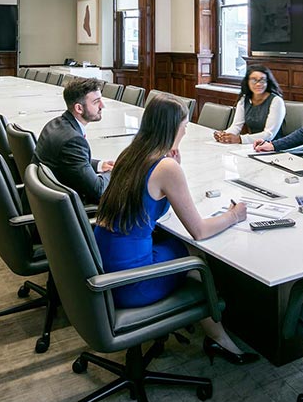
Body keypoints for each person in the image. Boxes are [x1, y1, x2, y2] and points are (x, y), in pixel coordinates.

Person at [94, 94, 258, 365]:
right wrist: (234, 215)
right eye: (184, 125)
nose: (186, 130)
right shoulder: (165, 166)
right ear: (173, 127)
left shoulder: (130, 154)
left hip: (107, 265)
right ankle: (218, 335)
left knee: (187, 250)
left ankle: (208, 328)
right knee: (197, 258)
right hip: (132, 282)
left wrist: (175, 170)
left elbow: (152, 201)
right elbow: (200, 231)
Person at [33, 77, 113, 204]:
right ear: (79, 108)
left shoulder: (55, 124)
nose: (103, 106)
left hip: (44, 204)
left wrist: (99, 165)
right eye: (96, 102)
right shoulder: (73, 141)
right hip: (63, 211)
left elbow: (70, 161)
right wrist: (116, 172)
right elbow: (99, 191)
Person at [214, 65, 286, 144]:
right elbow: (236, 126)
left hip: (273, 146)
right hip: (253, 146)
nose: (258, 84)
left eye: (262, 80)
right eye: (254, 80)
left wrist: (240, 139)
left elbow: (269, 135)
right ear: (247, 82)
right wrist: (224, 135)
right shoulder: (244, 100)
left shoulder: (276, 101)